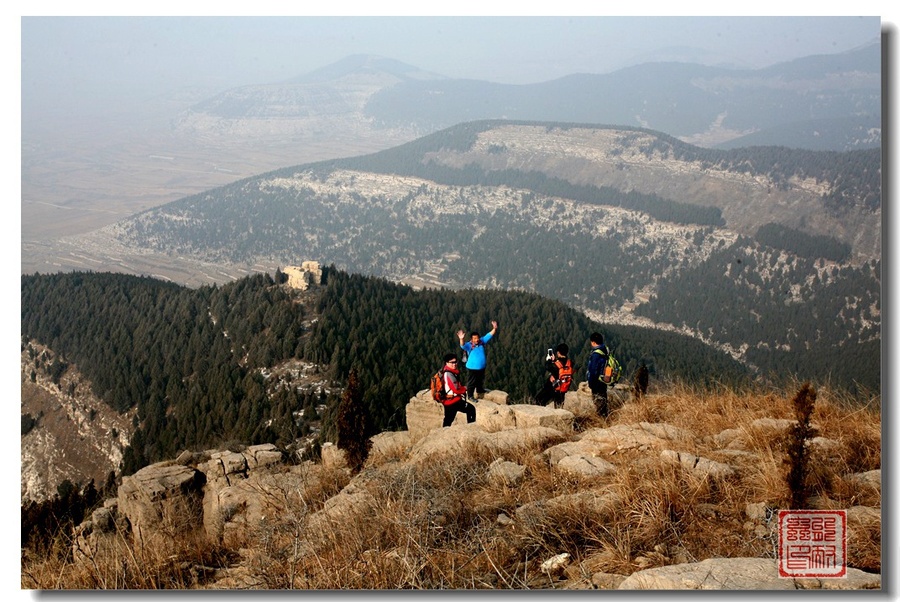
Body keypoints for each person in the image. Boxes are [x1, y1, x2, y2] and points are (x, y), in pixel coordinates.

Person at [456, 320, 498, 400]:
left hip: (481, 367)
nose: (477, 340)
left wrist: (494, 328)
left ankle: (479, 390)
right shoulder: (469, 345)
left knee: (480, 380)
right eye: (475, 338)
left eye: (477, 338)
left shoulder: (482, 341)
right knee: (471, 382)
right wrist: (461, 339)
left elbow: (489, 335)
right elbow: (462, 346)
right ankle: (470, 395)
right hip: (472, 368)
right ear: (471, 339)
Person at [439, 353, 476, 427]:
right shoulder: (449, 374)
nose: (454, 364)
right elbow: (455, 389)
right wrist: (464, 389)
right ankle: (471, 428)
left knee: (448, 420)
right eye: (452, 362)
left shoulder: (447, 371)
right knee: (471, 409)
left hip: (449, 400)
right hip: (453, 401)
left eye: (455, 362)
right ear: (447, 363)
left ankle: (444, 433)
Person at [535, 343, 574, 409]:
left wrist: (548, 360)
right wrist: (555, 360)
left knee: (539, 399)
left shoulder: (556, 365)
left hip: (552, 387)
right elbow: (561, 367)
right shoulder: (570, 363)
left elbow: (548, 367)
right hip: (563, 388)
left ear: (558, 353)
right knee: (558, 406)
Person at [586, 332, 610, 418]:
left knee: (598, 401)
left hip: (597, 381)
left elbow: (593, 370)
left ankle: (602, 420)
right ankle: (605, 417)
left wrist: (591, 383)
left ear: (593, 342)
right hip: (604, 379)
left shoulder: (596, 354)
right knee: (603, 399)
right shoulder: (605, 349)